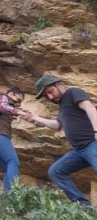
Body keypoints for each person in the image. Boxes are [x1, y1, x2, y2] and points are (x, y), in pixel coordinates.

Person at [22, 75, 95, 207]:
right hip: (79, 151)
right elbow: (57, 125)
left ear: (59, 84)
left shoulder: (73, 92)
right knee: (55, 171)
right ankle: (85, 208)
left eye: (50, 92)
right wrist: (35, 118)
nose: (50, 97)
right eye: (46, 96)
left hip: (92, 144)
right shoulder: (62, 108)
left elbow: (90, 108)